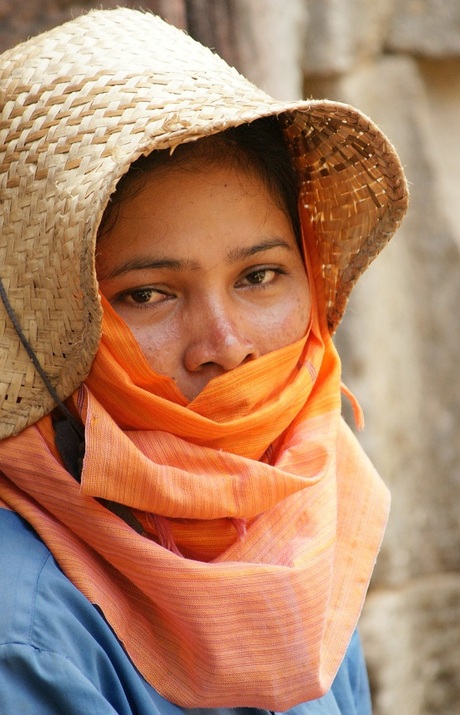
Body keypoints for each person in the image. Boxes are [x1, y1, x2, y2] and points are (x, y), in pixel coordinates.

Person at [0, 8, 408, 715]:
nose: (224, 343)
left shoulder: (309, 517)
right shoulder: (27, 630)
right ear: (44, 326)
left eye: (259, 275)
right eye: (149, 294)